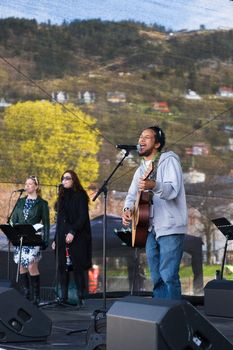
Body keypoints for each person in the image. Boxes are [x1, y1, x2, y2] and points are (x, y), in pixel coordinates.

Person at [122, 126, 187, 300]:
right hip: (149, 228)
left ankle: (174, 317)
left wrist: (154, 185)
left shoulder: (169, 161)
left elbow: (173, 190)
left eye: (147, 137)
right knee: (157, 278)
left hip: (170, 227)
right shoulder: (141, 169)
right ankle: (160, 317)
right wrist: (127, 209)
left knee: (168, 275)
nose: (141, 140)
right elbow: (131, 195)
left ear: (157, 143)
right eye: (140, 137)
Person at [52, 170, 92, 308]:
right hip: (62, 235)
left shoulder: (80, 195)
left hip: (78, 236)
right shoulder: (62, 197)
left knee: (77, 267)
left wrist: (73, 231)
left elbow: (82, 217)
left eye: (67, 178)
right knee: (62, 266)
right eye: (63, 178)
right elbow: (59, 221)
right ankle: (63, 298)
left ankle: (81, 298)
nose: (64, 181)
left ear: (74, 180)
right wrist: (55, 239)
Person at [10, 175, 50, 305]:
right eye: (26, 184)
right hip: (21, 237)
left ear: (36, 186)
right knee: (22, 266)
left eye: (30, 184)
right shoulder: (20, 201)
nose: (27, 186)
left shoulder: (42, 203)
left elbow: (47, 223)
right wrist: (12, 229)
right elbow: (14, 218)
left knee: (32, 265)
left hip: (34, 238)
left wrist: (45, 240)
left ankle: (36, 298)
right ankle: (26, 295)